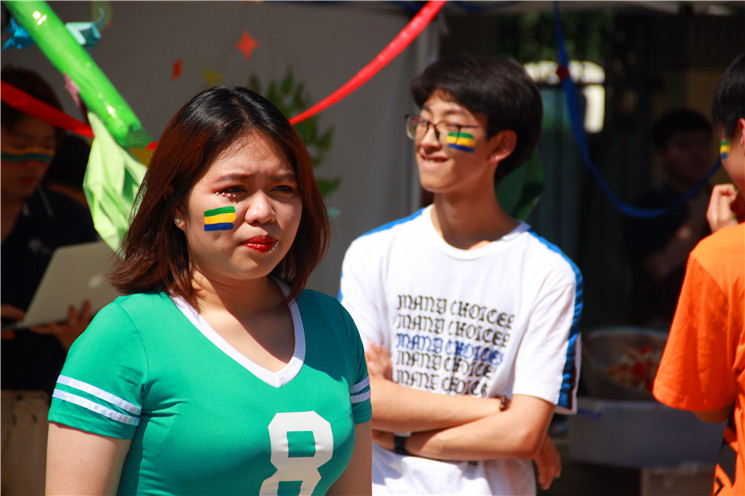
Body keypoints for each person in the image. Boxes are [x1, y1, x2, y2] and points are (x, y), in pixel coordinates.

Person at [45, 86, 372, 495]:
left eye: (283, 189)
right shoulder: (124, 336)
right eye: (234, 190)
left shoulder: (334, 325)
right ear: (177, 207)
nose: (263, 211)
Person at [339, 55, 582, 495]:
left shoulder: (549, 274)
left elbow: (523, 434)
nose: (428, 141)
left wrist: (398, 436)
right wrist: (493, 409)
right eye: (423, 122)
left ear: (500, 146)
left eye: (451, 127)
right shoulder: (372, 254)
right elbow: (363, 399)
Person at [1, 66, 98, 496]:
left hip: (37, 410)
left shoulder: (68, 218)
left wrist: (79, 336)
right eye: (20, 145)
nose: (34, 162)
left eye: (45, 147)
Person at [653, 52, 745, 495]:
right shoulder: (651, 204)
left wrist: (725, 241)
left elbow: (710, 405)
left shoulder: (721, 255)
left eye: (714, 144)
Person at [624, 108, 714, 330]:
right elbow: (661, 269)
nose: (696, 154)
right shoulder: (645, 208)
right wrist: (696, 218)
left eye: (703, 144)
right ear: (661, 154)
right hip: (662, 327)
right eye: (684, 146)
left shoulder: (725, 199)